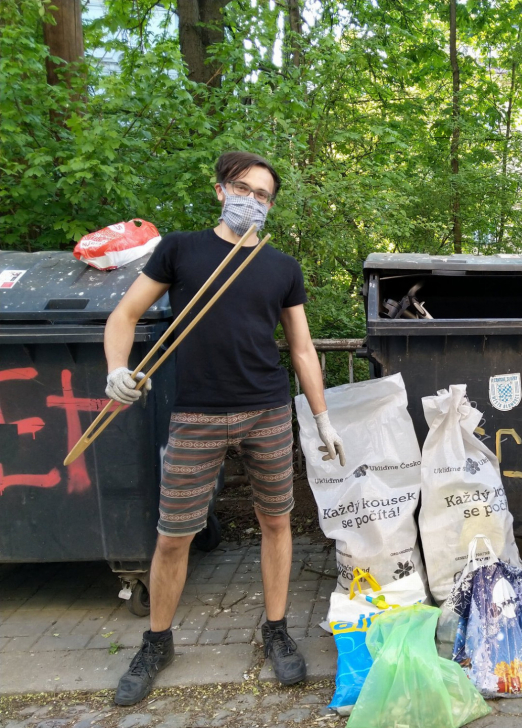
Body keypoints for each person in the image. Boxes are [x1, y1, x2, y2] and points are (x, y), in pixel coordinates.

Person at [104, 151, 346, 706]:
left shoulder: (281, 266)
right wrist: (118, 370)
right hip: (197, 413)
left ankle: (277, 630)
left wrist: (321, 416)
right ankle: (157, 641)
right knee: (173, 535)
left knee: (277, 523)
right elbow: (124, 316)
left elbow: (303, 350)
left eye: (264, 195)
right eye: (244, 189)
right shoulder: (182, 250)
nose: (253, 201)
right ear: (220, 190)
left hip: (265, 409)